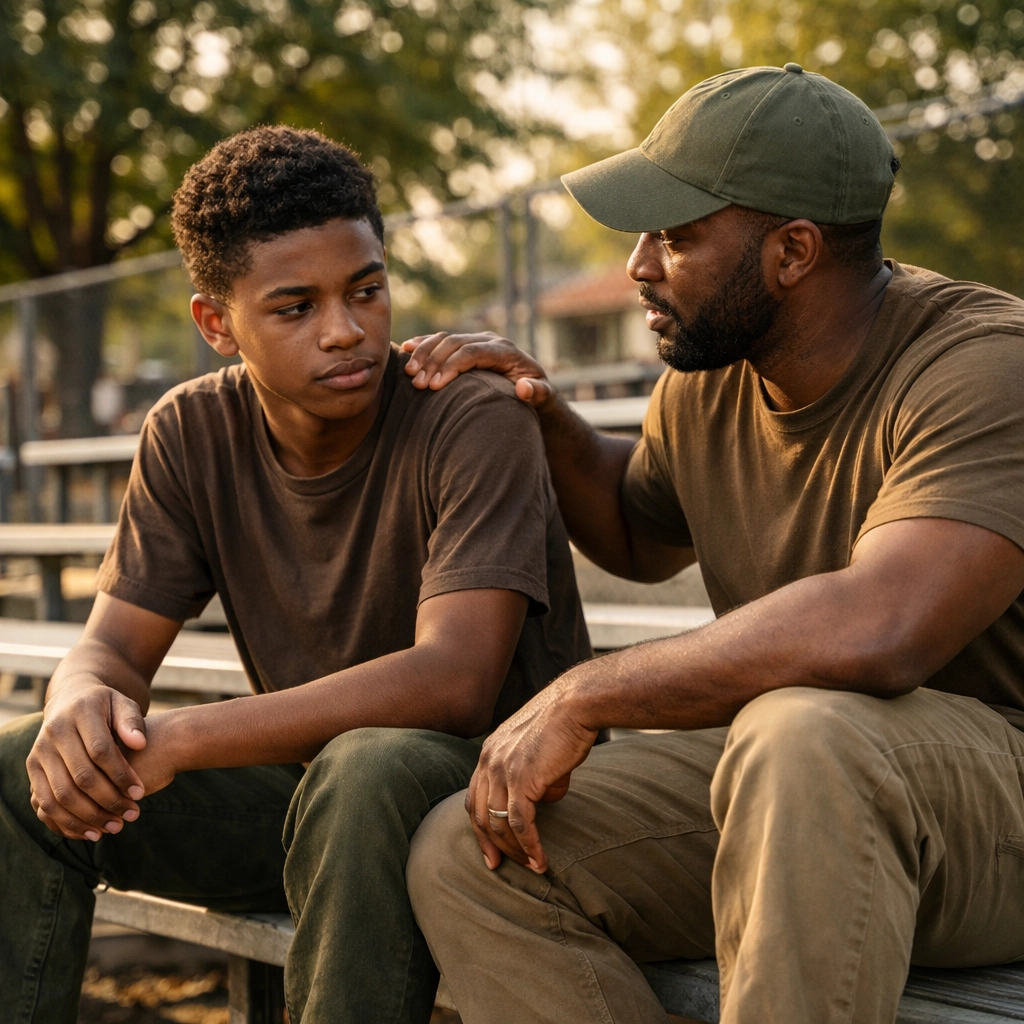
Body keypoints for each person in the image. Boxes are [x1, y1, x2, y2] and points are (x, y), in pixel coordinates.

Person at [403, 65, 1024, 1024]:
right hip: (803, 799)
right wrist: (544, 414)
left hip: (992, 809)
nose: (639, 266)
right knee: (474, 845)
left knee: (805, 730)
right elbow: (640, 531)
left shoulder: (984, 364)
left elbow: (885, 625)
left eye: (676, 236)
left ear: (793, 251)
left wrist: (583, 690)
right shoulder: (713, 371)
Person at [0, 125, 590, 1024]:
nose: (346, 331)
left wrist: (186, 741)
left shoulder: (471, 414)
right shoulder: (189, 431)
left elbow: (458, 681)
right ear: (215, 323)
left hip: (502, 798)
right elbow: (112, 646)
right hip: (317, 797)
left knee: (363, 770)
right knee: (18, 765)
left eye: (366, 290)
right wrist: (83, 700)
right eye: (294, 308)